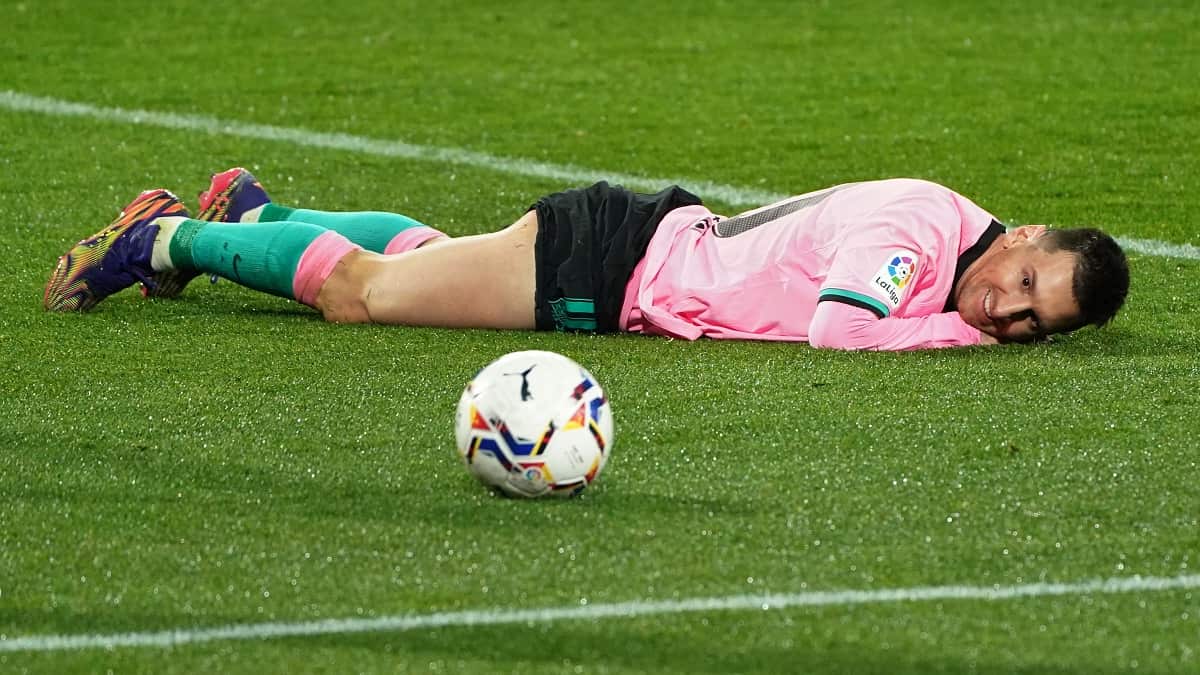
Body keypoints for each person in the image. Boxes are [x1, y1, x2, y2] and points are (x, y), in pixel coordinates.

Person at [43, 169, 1129, 351]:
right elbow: (841, 328)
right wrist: (958, 338)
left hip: (633, 252)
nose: (1008, 313)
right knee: (366, 299)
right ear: (1022, 235)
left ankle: (262, 212)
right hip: (611, 264)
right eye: (1026, 286)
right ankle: (163, 237)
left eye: (1036, 323)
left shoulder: (955, 229)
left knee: (434, 256)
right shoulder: (921, 233)